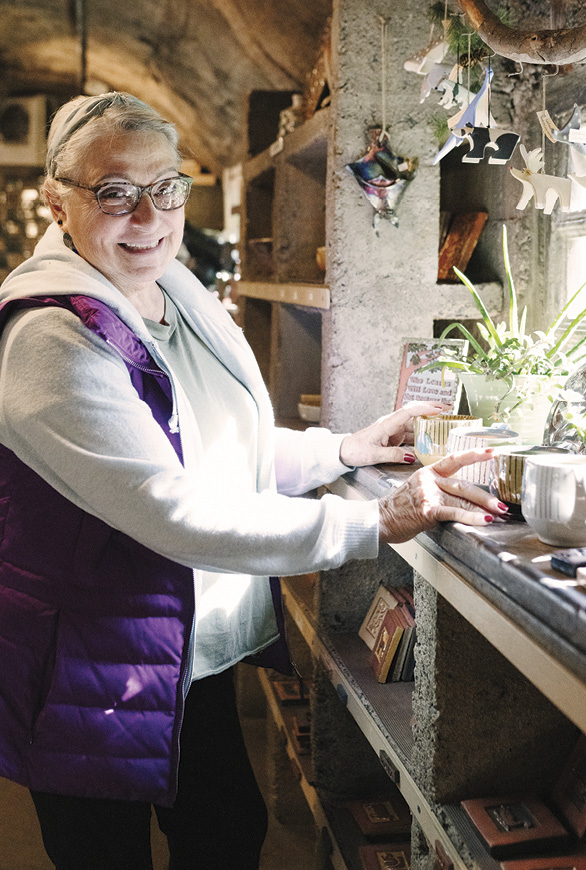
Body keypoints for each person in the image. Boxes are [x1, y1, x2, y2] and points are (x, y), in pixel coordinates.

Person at [0, 92, 506, 870]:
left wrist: (342, 451)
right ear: (57, 202)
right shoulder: (52, 337)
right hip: (91, 660)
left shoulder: (168, 294)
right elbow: (174, 507)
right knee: (106, 854)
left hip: (176, 646)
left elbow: (210, 448)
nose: (148, 216)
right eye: (113, 192)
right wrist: (375, 522)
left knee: (226, 832)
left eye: (164, 187)